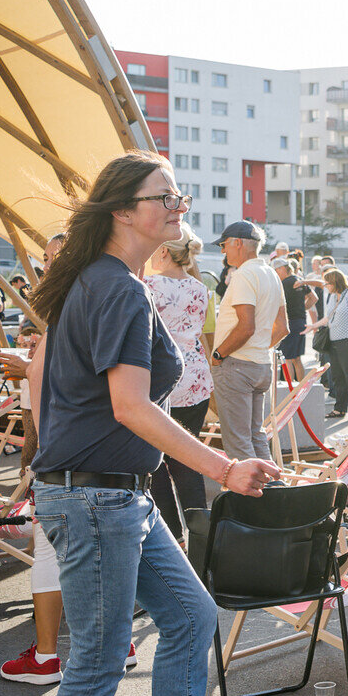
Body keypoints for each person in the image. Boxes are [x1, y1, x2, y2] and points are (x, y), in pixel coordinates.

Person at [29, 151, 277, 696]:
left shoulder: (109, 281)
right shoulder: (115, 287)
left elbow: (55, 379)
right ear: (122, 210)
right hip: (97, 498)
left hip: (111, 495)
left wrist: (54, 462)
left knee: (191, 616)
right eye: (164, 197)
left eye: (179, 196)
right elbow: (132, 406)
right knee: (99, 660)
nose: (178, 207)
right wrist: (225, 468)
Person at [143, 224, 215, 542]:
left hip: (160, 379)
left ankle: (173, 537)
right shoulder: (200, 288)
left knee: (156, 462)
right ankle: (201, 537)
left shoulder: (148, 285)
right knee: (188, 458)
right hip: (195, 378)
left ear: (162, 250)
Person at [208, 220, 286, 462]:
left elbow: (246, 326)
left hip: (237, 366)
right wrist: (259, 348)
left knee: (238, 444)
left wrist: (218, 355)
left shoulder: (244, 274)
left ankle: (256, 487)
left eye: (224, 245)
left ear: (238, 243)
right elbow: (283, 327)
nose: (223, 251)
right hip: (260, 365)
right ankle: (273, 484)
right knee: (255, 437)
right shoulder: (271, 273)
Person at [310, 268, 348, 419]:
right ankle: (339, 409)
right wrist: (313, 326)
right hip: (334, 342)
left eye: (327, 283)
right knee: (337, 376)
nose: (325, 286)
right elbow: (328, 317)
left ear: (335, 282)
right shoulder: (333, 297)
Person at [274, 258, 309, 372]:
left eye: (276, 270)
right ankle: (300, 383)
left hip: (290, 322)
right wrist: (302, 308)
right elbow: (314, 298)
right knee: (296, 359)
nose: (276, 273)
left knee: (288, 358)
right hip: (301, 321)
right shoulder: (299, 280)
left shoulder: (284, 283)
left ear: (282, 269)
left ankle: (290, 384)